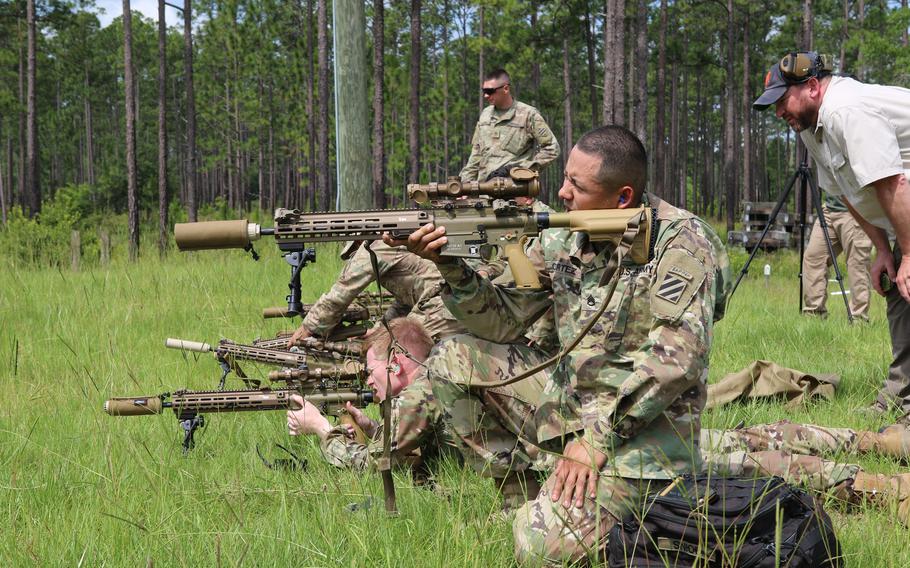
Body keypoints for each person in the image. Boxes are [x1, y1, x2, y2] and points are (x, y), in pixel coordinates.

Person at [392, 125, 731, 565]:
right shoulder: (561, 237)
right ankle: (523, 501)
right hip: (571, 411)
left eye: (577, 185)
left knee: (539, 549)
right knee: (453, 359)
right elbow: (502, 321)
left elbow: (677, 363)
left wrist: (595, 441)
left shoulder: (683, 242)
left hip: (645, 432)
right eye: (565, 177)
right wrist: (450, 267)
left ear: (623, 197)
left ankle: (640, 524)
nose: (563, 192)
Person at [753, 51, 910, 415]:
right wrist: (884, 253)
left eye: (782, 101)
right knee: (899, 296)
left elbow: (893, 183)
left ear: (811, 86)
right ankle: (901, 398)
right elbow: (847, 191)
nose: (779, 114)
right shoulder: (811, 127)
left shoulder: (845, 111)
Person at [286, 318, 546, 490]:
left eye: (370, 370)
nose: (367, 380)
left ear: (395, 363)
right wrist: (376, 428)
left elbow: (372, 463)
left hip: (534, 478)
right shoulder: (441, 373)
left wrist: (321, 428)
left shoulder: (422, 390)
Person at [286, 240, 490, 346]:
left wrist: (309, 327)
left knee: (403, 352)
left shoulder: (375, 248)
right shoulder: (390, 248)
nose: (354, 257)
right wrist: (381, 330)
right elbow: (406, 301)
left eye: (353, 251)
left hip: (445, 303)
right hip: (450, 299)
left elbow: (342, 292)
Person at [460, 68, 560, 183]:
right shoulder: (485, 115)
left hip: (515, 189)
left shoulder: (528, 115)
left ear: (506, 89)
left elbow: (552, 149)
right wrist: (464, 186)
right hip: (484, 189)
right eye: (484, 91)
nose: (486, 96)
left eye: (490, 91)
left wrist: (522, 170)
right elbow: (476, 153)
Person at [802, 193, 873, 320]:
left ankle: (858, 319)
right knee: (813, 258)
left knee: (857, 264)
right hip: (829, 208)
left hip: (855, 209)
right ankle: (814, 316)